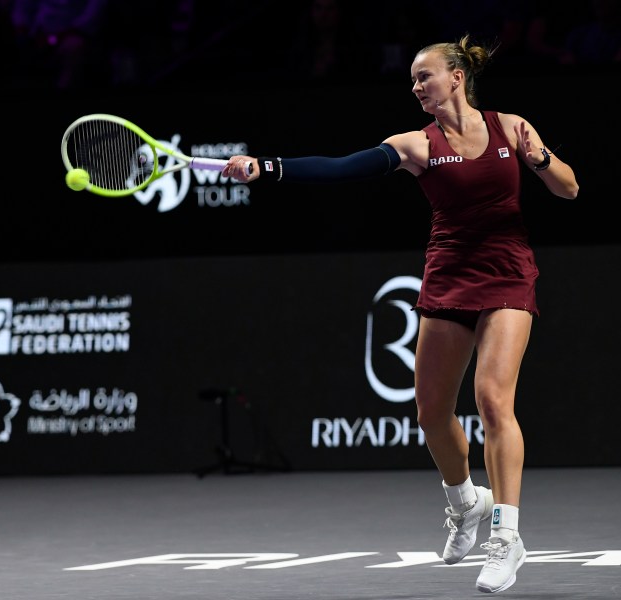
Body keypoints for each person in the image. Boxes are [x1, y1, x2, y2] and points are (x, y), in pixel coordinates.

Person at [223, 33, 579, 594]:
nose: (415, 87)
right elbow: (342, 168)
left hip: (509, 272)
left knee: (492, 398)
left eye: (424, 76)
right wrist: (266, 168)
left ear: (456, 77)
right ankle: (465, 502)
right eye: (413, 79)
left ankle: (507, 536)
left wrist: (539, 158)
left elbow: (569, 188)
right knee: (432, 412)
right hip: (448, 276)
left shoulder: (513, 128)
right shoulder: (415, 145)